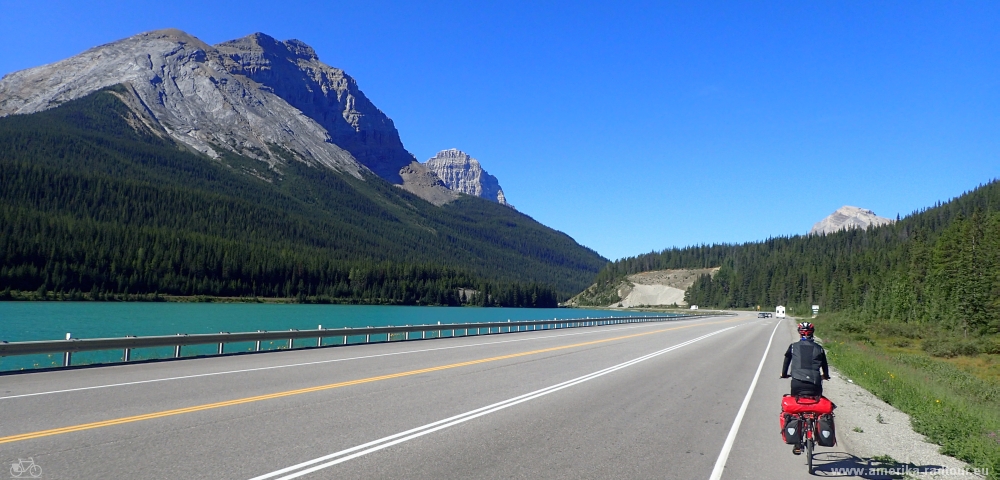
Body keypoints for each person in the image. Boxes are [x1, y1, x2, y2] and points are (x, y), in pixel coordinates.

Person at [781, 322, 830, 397]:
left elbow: (786, 362)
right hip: (814, 383)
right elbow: (824, 365)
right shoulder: (819, 348)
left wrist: (784, 374)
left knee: (795, 404)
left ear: (799, 333)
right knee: (818, 401)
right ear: (812, 332)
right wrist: (825, 376)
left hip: (797, 383)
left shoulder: (793, 347)